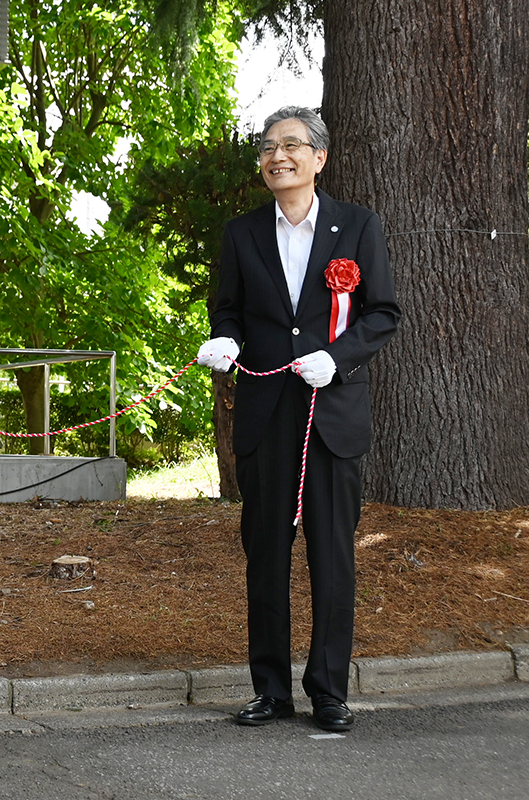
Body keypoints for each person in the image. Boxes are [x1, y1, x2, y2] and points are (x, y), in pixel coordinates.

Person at [197, 106, 401, 732]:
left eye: (291, 145)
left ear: (320, 157)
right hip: (265, 416)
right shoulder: (241, 233)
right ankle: (270, 689)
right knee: (266, 555)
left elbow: (382, 313)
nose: (276, 156)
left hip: (331, 415)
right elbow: (226, 310)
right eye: (267, 147)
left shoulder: (358, 227)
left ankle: (329, 691)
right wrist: (224, 343)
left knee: (333, 554)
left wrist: (335, 360)